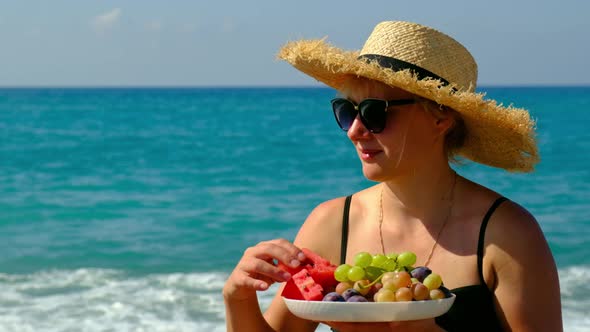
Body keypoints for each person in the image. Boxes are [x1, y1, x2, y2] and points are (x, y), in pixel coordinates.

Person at [223, 20, 563, 331]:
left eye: (374, 113)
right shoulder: (331, 222)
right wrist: (238, 299)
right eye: (347, 111)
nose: (355, 131)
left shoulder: (508, 234)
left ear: (440, 119)